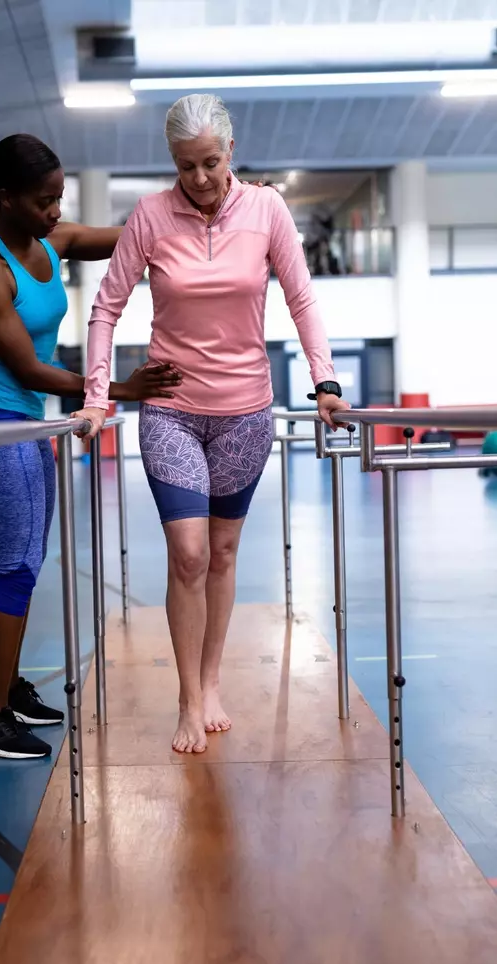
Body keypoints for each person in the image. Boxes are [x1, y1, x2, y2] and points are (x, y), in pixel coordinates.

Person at [74, 95, 350, 755]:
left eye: (208, 162)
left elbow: (301, 295)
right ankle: (187, 698)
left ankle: (211, 678)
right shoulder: (149, 216)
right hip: (170, 411)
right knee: (188, 553)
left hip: (244, 413)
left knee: (222, 554)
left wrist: (325, 381)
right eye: (183, 165)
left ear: (230, 151)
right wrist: (96, 397)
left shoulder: (266, 211)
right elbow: (105, 308)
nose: (197, 178)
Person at [0, 134, 182, 759]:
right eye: (44, 200)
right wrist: (121, 388)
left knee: (28, 561)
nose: (57, 212)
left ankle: (8, 688)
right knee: (15, 565)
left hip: (31, 427)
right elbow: (28, 368)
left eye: (60, 198)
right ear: (5, 197)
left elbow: (128, 236)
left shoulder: (53, 243)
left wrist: (185, 202)